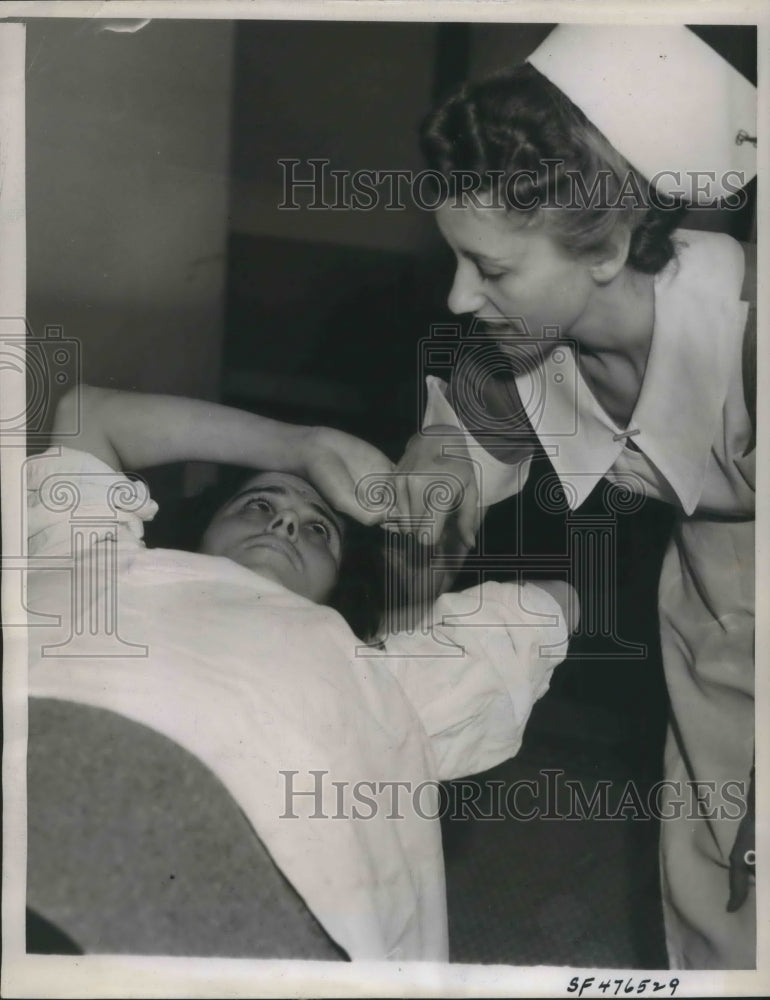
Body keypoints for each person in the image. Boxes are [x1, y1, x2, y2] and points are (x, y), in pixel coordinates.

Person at [392, 25, 756, 970]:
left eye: (495, 269)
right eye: (458, 259)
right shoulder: (527, 344)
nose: (463, 297)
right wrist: (433, 489)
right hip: (713, 627)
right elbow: (445, 460)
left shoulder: (748, 336)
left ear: (608, 247)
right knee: (722, 900)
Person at [26, 383, 574, 960]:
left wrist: (420, 581)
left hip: (232, 892)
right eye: (258, 505)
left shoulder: (375, 674)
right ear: (199, 530)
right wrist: (301, 447)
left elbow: (557, 603)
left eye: (318, 529)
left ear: (339, 586)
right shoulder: (101, 559)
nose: (285, 523)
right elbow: (86, 413)